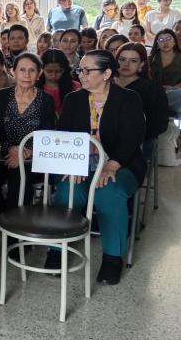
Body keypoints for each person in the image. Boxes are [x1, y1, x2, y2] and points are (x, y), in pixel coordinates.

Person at [47, 50, 145, 285]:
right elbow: (64, 135)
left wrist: (111, 165)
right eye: (80, 70)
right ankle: (57, 250)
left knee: (108, 193)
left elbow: (132, 137)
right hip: (82, 163)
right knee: (66, 191)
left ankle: (112, 258)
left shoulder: (128, 99)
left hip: (121, 163)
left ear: (107, 73)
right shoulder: (75, 99)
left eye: (87, 70)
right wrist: (72, 164)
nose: (81, 75)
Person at [0, 53, 56, 219]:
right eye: (22, 70)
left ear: (39, 73)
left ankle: (15, 232)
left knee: (20, 180)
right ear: (13, 72)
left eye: (32, 70)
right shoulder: (2, 96)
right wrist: (11, 148)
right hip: (3, 153)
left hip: (32, 157)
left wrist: (26, 151)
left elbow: (47, 134)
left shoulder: (46, 100)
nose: (27, 75)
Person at [114, 42, 170, 159]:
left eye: (133, 61)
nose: (126, 64)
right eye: (122, 59)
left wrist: (134, 135)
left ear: (141, 64)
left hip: (139, 142)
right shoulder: (103, 84)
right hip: (102, 139)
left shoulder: (152, 89)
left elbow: (160, 123)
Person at [37, 49, 80, 116]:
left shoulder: (75, 87)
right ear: (41, 69)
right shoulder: (34, 87)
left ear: (65, 69)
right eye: (49, 71)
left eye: (58, 71)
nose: (54, 75)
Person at [149, 29, 181, 116]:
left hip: (176, 94)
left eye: (168, 39)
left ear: (174, 42)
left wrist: (173, 88)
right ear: (157, 44)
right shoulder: (149, 59)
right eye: (161, 40)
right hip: (154, 94)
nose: (165, 42)